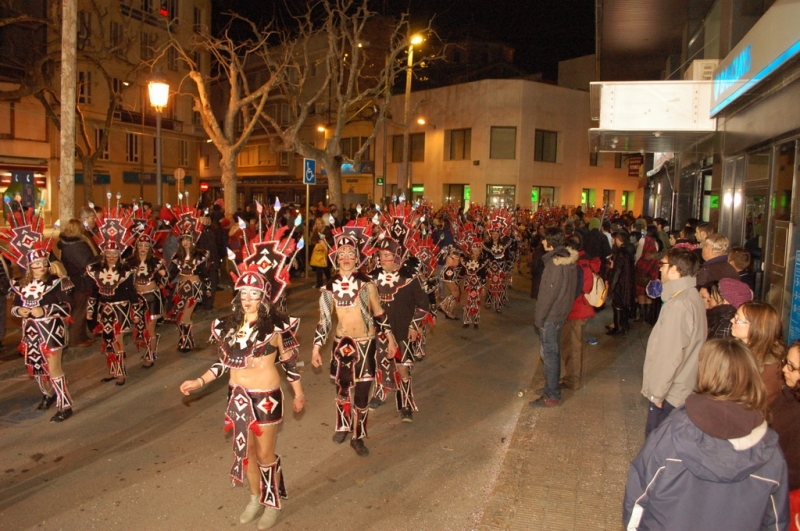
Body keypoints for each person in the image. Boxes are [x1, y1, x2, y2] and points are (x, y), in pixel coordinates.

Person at [179, 263, 304, 531]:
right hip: (237, 397)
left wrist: (298, 393)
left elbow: (290, 364)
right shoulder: (228, 326)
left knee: (265, 454)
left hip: (265, 397)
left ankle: (272, 503)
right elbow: (223, 365)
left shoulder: (277, 326)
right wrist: (199, 381)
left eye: (254, 294)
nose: (248, 299)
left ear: (264, 296)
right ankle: (255, 497)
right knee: (245, 453)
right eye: (243, 294)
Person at [624, 339, 788, 531]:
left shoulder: (670, 434)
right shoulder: (769, 452)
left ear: (706, 373)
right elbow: (775, 521)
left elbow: (638, 498)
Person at [310, 225, 397, 456]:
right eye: (341, 254)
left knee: (361, 393)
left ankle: (358, 436)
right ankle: (342, 426)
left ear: (357, 257)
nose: (346, 258)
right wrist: (316, 347)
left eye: (350, 254)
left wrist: (389, 338)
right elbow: (325, 321)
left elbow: (378, 313)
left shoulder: (367, 284)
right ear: (335, 257)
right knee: (342, 389)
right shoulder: (328, 288)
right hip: (342, 345)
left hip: (365, 343)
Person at [2, 212, 74, 422]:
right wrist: (20, 312)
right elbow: (15, 307)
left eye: (43, 263)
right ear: (29, 266)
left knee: (54, 368)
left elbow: (67, 307)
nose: (41, 267)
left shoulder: (55, 282)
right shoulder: (21, 285)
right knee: (36, 368)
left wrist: (45, 310)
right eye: (36, 264)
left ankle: (65, 404)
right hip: (31, 333)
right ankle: (48, 394)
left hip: (51, 331)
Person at [641, 248, 706, 436]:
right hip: (682, 386)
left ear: (676, 269)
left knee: (657, 446)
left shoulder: (679, 304)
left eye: (663, 265)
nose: (659, 269)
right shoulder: (691, 296)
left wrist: (657, 393)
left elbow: (669, 354)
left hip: (672, 392)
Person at [368, 237, 431, 422]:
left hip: (403, 331)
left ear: (396, 257)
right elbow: (364, 303)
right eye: (380, 255)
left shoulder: (410, 277)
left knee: (402, 369)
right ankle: (380, 394)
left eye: (386, 255)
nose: (382, 259)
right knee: (380, 364)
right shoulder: (372, 277)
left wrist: (414, 325)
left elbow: (423, 305)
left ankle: (405, 403)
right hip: (380, 331)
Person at [86, 208, 137, 386]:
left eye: (115, 254)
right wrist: (90, 312)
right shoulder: (97, 270)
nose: (111, 257)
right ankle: (112, 370)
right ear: (104, 254)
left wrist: (135, 312)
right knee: (107, 340)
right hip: (104, 309)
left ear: (119, 254)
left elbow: (131, 292)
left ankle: (121, 371)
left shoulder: (126, 270)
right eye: (108, 254)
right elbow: (94, 292)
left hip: (120, 309)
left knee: (118, 340)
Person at [530, 227, 577, 408]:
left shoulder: (554, 264)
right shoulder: (567, 261)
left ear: (551, 241)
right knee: (552, 353)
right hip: (560, 312)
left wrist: (539, 318)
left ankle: (552, 395)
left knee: (550, 355)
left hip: (552, 315)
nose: (542, 242)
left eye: (544, 240)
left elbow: (547, 294)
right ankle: (550, 387)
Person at [166, 206, 211, 352]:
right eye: (183, 240)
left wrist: (208, 289)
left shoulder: (201, 255)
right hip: (181, 287)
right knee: (180, 316)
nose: (185, 242)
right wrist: (162, 281)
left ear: (193, 240)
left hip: (194, 286)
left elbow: (205, 273)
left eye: (188, 239)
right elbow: (171, 273)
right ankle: (186, 341)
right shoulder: (177, 256)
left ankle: (185, 342)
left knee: (185, 315)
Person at [560, 234, 600, 390]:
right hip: (578, 309)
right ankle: (571, 376)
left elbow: (582, 288)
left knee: (573, 346)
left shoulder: (580, 264)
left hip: (576, 310)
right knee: (570, 345)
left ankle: (573, 380)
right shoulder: (585, 262)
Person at [126, 225, 169, 368]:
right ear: (137, 246)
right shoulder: (129, 262)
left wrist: (162, 279)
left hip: (152, 298)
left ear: (150, 247)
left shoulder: (156, 261)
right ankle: (147, 350)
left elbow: (165, 279)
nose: (143, 248)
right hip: (137, 298)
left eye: (146, 245)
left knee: (150, 329)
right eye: (140, 245)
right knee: (140, 327)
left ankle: (150, 355)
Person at [730, 300, 785, 405]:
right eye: (734, 316)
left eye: (738, 319)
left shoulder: (770, 366)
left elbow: (760, 403)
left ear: (756, 327)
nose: (732, 320)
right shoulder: (737, 348)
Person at [55, 219, 96, 348]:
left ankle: (82, 336)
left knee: (82, 309)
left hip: (76, 279)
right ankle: (75, 339)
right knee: (80, 310)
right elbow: (86, 263)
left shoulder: (66, 244)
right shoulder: (77, 246)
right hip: (81, 281)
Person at [771, 339, 800, 491]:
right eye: (785, 362)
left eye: (791, 367)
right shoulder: (788, 394)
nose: (784, 369)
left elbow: (793, 475)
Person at [607, 230, 635, 336]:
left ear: (618, 240)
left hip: (620, 282)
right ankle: (624, 325)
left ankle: (618, 328)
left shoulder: (621, 253)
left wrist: (612, 286)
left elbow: (617, 271)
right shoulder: (630, 250)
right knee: (624, 305)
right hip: (628, 281)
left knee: (617, 305)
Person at [438, 246, 462, 320]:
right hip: (449, 272)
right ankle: (449, 312)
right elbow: (453, 263)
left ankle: (443, 305)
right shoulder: (452, 250)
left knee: (455, 291)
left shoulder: (451, 248)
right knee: (455, 292)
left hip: (449, 271)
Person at [309, 217, 332, 288]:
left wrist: (325, 242)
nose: (318, 225)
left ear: (322, 224)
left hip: (326, 250)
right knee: (318, 267)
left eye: (319, 223)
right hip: (318, 251)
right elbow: (312, 240)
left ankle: (329, 281)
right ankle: (319, 283)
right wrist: (317, 243)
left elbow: (331, 239)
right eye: (317, 224)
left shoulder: (327, 230)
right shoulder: (316, 231)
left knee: (326, 267)